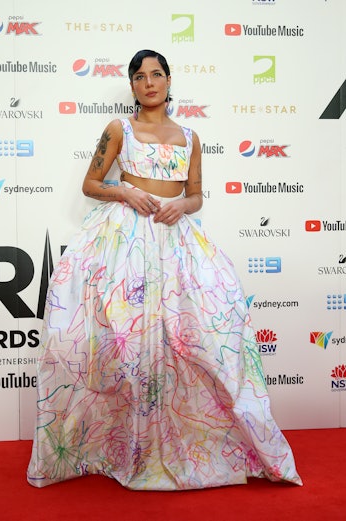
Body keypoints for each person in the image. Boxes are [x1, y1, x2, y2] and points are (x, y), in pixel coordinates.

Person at [27, 49, 302, 490]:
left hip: (174, 240)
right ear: (132, 85)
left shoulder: (191, 137)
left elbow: (195, 196)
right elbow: (90, 184)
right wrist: (125, 193)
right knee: (126, 343)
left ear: (169, 81)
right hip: (125, 242)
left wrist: (181, 206)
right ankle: (117, 445)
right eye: (139, 76)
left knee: (194, 339)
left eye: (156, 74)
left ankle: (185, 440)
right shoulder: (120, 129)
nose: (149, 82)